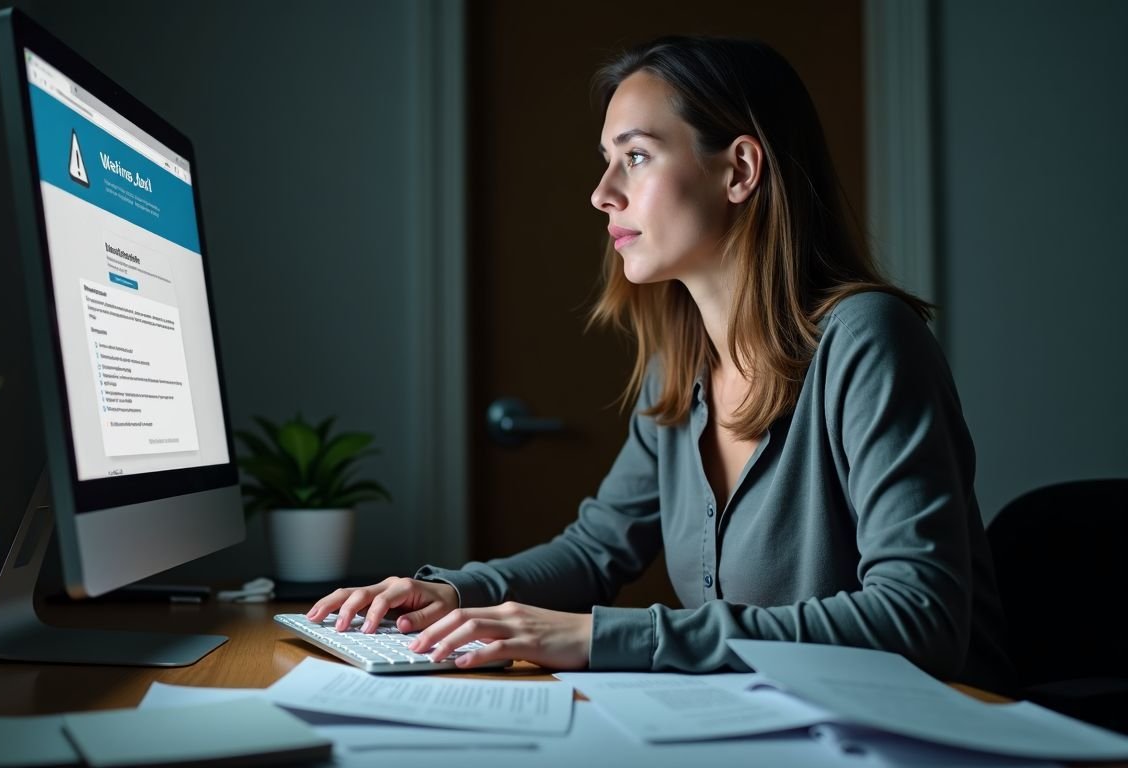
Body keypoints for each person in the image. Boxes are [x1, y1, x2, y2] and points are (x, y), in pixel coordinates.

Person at [308, 36, 1013, 691]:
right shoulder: (681, 368)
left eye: (636, 156)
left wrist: (604, 637)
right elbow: (595, 550)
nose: (602, 192)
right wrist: (453, 593)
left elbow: (920, 620)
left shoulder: (867, 340)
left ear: (740, 169)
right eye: (606, 160)